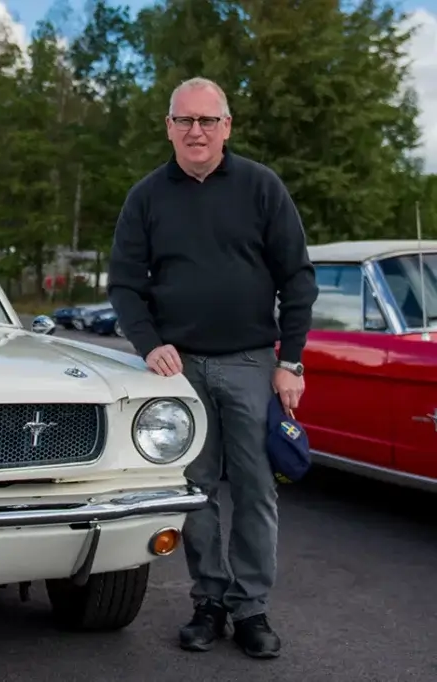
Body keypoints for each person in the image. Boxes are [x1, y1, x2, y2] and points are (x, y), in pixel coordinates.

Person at [106, 77, 319, 660]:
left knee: (254, 491)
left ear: (227, 126)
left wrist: (291, 361)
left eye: (206, 120)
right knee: (193, 491)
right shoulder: (147, 197)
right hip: (178, 372)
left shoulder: (261, 188)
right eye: (184, 121)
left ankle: (251, 608)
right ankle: (209, 602)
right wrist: (148, 344)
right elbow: (124, 284)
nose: (195, 131)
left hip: (253, 363)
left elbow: (297, 277)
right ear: (168, 127)